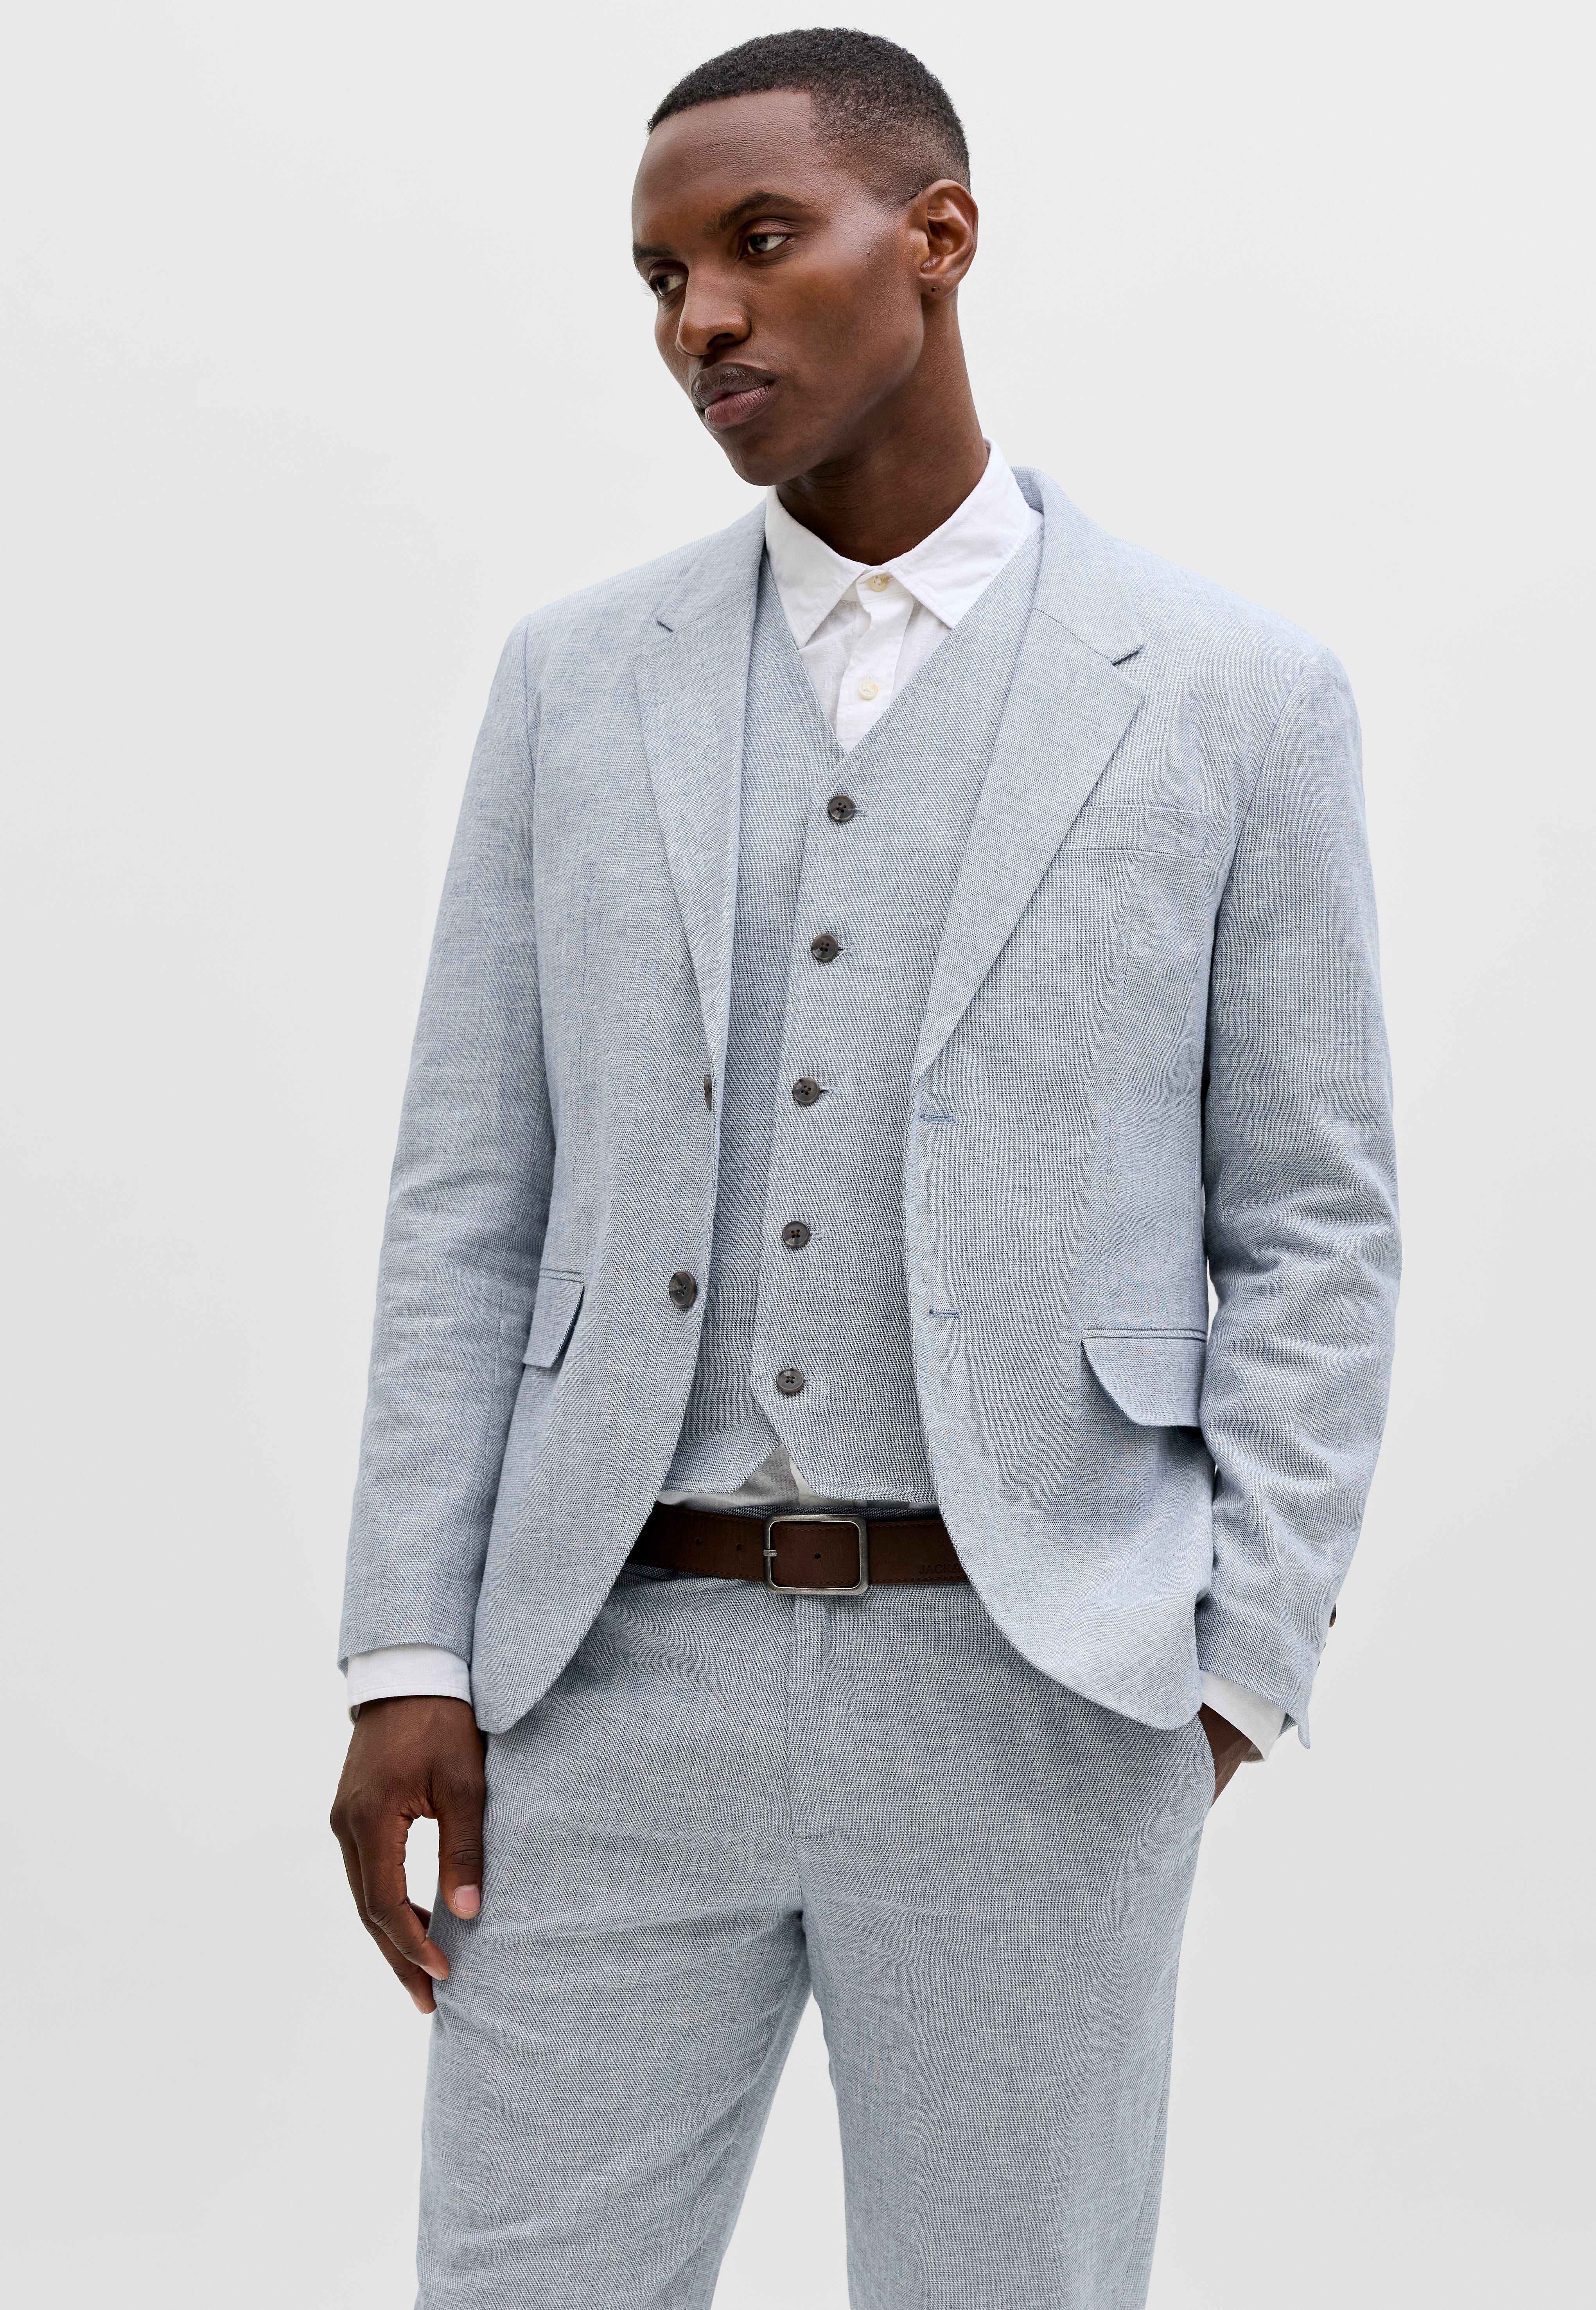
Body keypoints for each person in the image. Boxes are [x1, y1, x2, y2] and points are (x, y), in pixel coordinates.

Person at [330, 29, 1399, 2307]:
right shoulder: (573, 680)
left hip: (1038, 1686)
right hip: (603, 1674)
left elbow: (1316, 1216)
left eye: (755, 242)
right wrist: (409, 1644)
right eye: (658, 278)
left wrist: (1234, 1660)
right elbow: (466, 1191)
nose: (699, 318)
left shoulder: (1235, 694)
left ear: (939, 237)